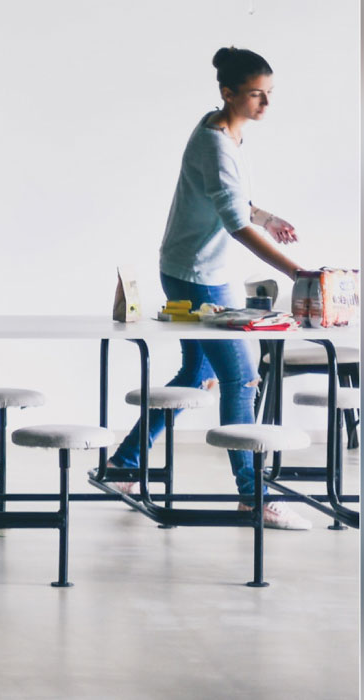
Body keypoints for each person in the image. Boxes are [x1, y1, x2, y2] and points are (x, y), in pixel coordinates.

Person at [109, 46, 312, 530]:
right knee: (240, 378)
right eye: (256, 95)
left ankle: (124, 463)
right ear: (228, 93)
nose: (266, 104)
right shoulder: (216, 143)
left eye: (269, 94)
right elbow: (236, 224)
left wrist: (268, 216)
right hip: (196, 275)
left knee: (196, 371)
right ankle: (252, 495)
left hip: (199, 271)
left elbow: (234, 201)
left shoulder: (222, 129)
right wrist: (298, 274)